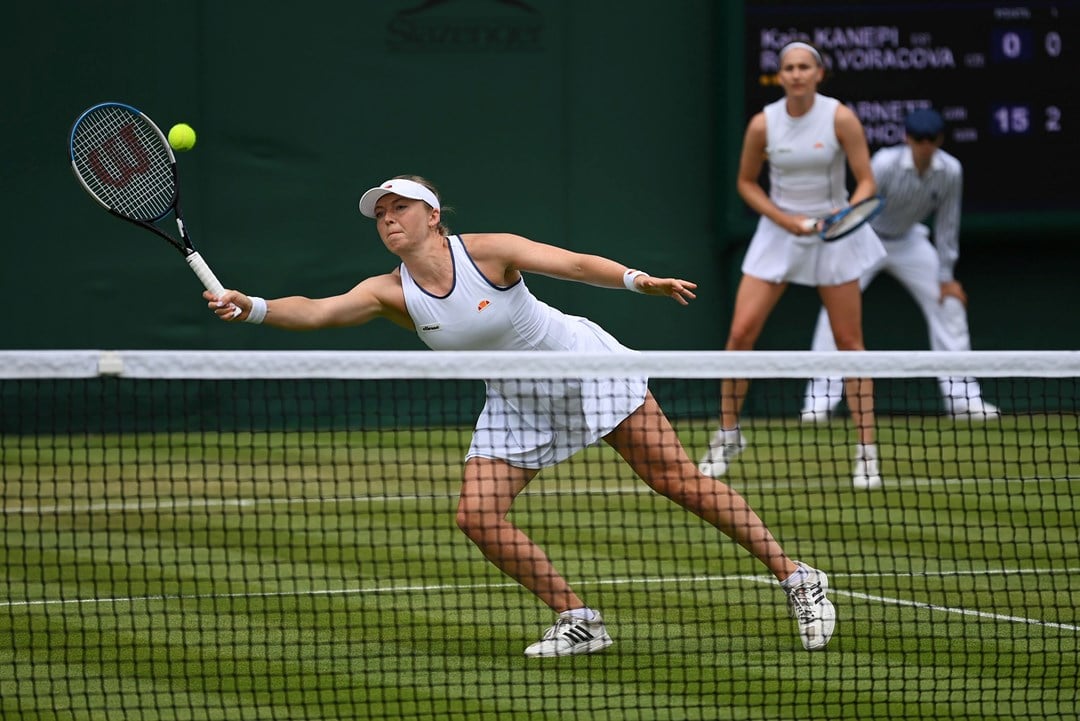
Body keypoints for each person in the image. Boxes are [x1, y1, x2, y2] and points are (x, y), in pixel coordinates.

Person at [204, 174, 837, 657]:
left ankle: (798, 577)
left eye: (399, 208)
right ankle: (579, 621)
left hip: (584, 369)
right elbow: (316, 311)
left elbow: (572, 264)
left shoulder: (489, 251)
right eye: (380, 213)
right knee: (476, 515)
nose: (388, 219)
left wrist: (640, 281)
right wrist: (252, 305)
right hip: (516, 401)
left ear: (432, 215)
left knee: (675, 480)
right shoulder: (388, 291)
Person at [698, 42, 888, 489]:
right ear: (780, 76)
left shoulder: (840, 117)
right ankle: (728, 435)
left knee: (849, 342)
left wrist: (841, 218)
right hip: (780, 232)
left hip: (834, 232)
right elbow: (747, 184)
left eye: (805, 67)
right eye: (789, 68)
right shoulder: (763, 123)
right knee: (741, 333)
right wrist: (786, 221)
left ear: (819, 74)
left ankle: (866, 451)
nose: (797, 74)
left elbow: (866, 182)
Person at [800, 108, 1001, 422]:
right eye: (918, 139)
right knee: (836, 312)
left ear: (940, 140)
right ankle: (818, 402)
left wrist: (946, 276)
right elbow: (859, 209)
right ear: (907, 139)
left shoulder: (950, 171)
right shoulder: (884, 164)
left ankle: (962, 399)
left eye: (930, 139)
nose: (924, 145)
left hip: (910, 242)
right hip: (866, 238)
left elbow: (948, 224)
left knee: (950, 305)